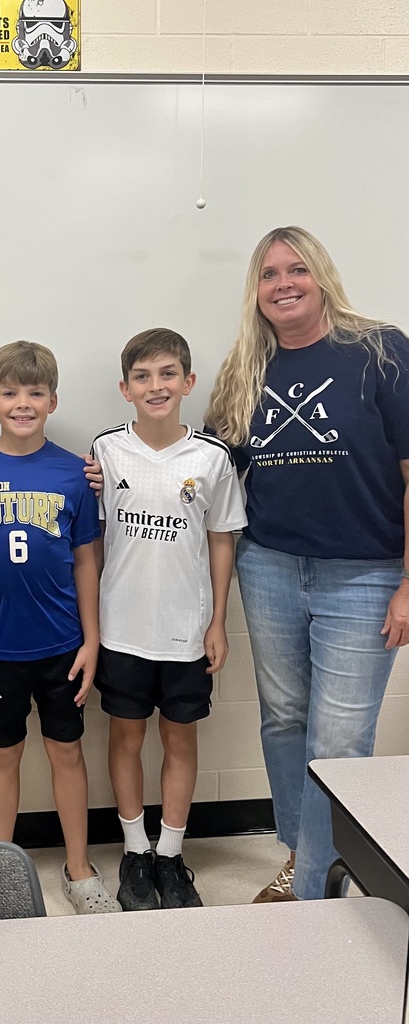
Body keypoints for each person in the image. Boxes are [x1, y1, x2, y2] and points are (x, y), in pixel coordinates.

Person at [204, 226, 409, 902]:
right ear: (256, 292)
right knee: (284, 718)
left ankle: (313, 886)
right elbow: (209, 470)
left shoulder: (381, 351)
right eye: (268, 274)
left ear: (321, 276)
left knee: (342, 736)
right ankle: (306, 854)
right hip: (269, 568)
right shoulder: (246, 366)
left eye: (296, 270)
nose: (283, 284)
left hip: (366, 573)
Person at [0, 340, 121, 914]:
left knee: (67, 752)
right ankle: (0, 871)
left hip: (63, 647)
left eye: (35, 392)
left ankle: (78, 868)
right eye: (11, 392)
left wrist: (92, 640)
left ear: (52, 399)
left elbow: (88, 559)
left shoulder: (74, 473)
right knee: (3, 753)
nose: (23, 403)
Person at [92, 328, 246, 911]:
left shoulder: (211, 458)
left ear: (188, 382)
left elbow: (222, 542)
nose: (155, 386)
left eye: (167, 374)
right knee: (126, 737)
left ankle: (171, 855)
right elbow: (95, 537)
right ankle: (135, 851)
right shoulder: (106, 452)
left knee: (180, 740)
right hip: (121, 627)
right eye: (142, 376)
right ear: (125, 388)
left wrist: (218, 621)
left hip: (187, 630)